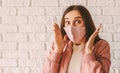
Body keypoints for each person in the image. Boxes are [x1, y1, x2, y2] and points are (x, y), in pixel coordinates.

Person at [42, 5, 111, 73]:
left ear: (87, 23)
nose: (71, 27)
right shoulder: (58, 45)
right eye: (68, 22)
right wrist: (57, 51)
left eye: (77, 21)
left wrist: (89, 52)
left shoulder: (101, 46)